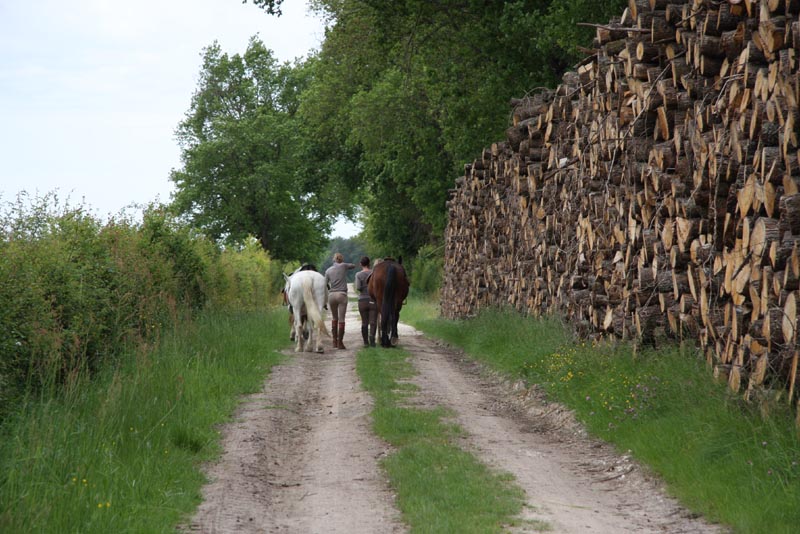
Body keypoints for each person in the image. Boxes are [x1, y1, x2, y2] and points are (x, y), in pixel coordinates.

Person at [324, 252, 356, 349]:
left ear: (333, 259)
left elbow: (325, 284)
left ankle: (334, 341)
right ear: (341, 259)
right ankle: (340, 343)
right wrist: (344, 264)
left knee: (334, 318)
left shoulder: (328, 270)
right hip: (342, 294)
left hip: (332, 295)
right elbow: (353, 266)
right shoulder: (343, 266)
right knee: (341, 319)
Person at [354, 256, 378, 347]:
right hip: (373, 299)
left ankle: (365, 342)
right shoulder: (374, 273)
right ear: (369, 263)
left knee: (364, 322)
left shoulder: (358, 275)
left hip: (362, 300)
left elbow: (358, 287)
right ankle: (372, 338)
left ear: (361, 264)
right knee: (373, 321)